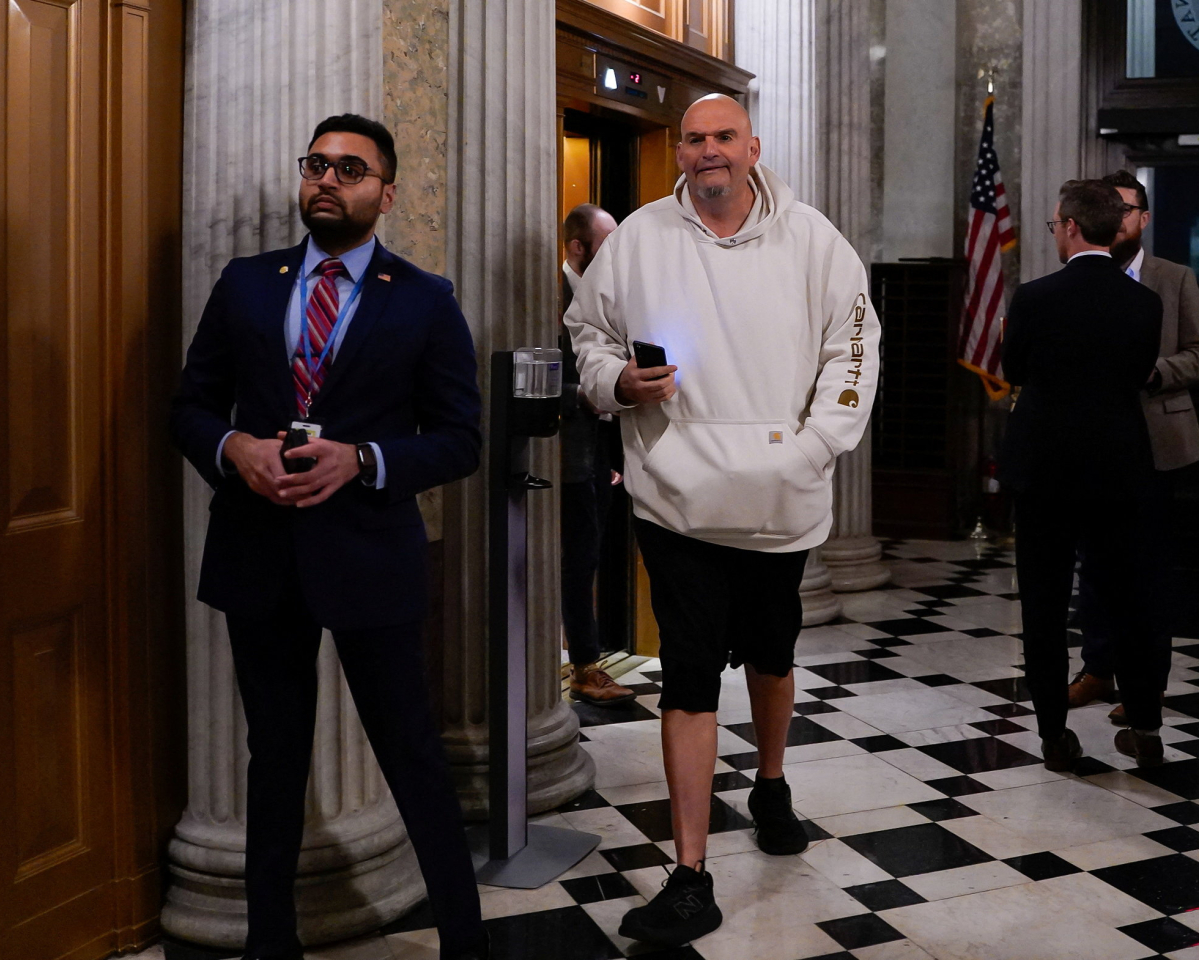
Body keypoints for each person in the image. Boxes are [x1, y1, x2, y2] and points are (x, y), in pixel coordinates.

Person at [170, 114, 489, 960]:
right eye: (317, 164)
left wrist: (365, 460)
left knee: (411, 753)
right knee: (273, 756)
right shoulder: (247, 283)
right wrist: (233, 448)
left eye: (351, 170)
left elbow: (460, 438)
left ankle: (466, 942)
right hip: (259, 551)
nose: (327, 180)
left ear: (387, 194)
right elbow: (190, 406)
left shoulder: (423, 298)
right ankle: (269, 942)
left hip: (369, 556)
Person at [565, 94, 877, 947]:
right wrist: (616, 382)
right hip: (676, 494)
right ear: (680, 153)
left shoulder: (814, 240)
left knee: (773, 653)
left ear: (753, 148)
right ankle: (691, 874)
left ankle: (770, 783)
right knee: (689, 672)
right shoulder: (638, 238)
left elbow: (853, 350)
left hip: (781, 493)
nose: (709, 151)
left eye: (724, 138)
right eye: (695, 139)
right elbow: (587, 333)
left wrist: (814, 447)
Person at [1000, 179, 1165, 772]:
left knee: (1043, 606)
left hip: (1044, 472)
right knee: (1132, 599)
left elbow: (1014, 369)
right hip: (1119, 469)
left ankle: (1053, 736)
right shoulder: (1145, 303)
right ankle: (1146, 728)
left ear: (1070, 227)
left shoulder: (1033, 297)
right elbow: (1138, 373)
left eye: (1055, 225)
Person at [1067, 169, 1199, 719]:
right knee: (1094, 565)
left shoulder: (1175, 278)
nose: (1118, 218)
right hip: (1093, 445)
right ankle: (1098, 670)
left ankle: (1148, 687)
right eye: (1110, 207)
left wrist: (1153, 372)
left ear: (1143, 218)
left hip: (1157, 442)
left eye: (1127, 209)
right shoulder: (1075, 276)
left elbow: (1197, 353)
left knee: (1149, 570)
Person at [559, 203, 636, 705]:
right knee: (576, 560)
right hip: (563, 454)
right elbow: (528, 373)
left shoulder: (610, 298)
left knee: (594, 555)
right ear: (577, 247)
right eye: (606, 245)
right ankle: (584, 667)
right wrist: (585, 395)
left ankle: (592, 655)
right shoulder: (549, 294)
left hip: (604, 450)